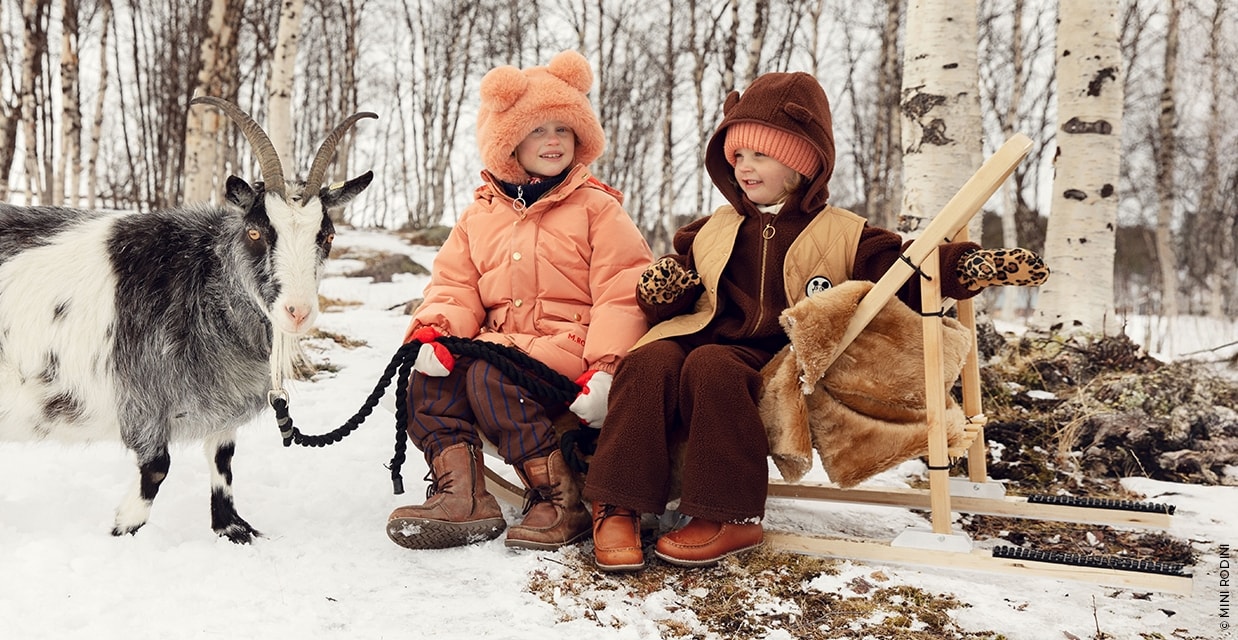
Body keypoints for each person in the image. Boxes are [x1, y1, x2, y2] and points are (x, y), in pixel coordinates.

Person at [582, 71, 1048, 572]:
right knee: (649, 360)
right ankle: (620, 503)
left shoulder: (844, 234)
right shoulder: (711, 229)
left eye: (760, 155)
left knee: (713, 367)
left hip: (776, 353)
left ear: (802, 162)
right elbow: (679, 290)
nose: (744, 167)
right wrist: (665, 292)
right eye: (737, 156)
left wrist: (964, 267)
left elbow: (908, 270)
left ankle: (729, 514)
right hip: (701, 331)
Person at [386, 50, 653, 552]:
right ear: (508, 142)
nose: (553, 140)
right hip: (500, 342)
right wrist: (436, 331)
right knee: (429, 379)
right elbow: (454, 285)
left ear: (581, 139)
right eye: (537, 130)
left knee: (492, 376)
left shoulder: (597, 209)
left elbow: (622, 290)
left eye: (563, 129)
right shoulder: (479, 216)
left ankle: (560, 497)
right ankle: (462, 495)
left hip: (569, 347)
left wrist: (608, 367)